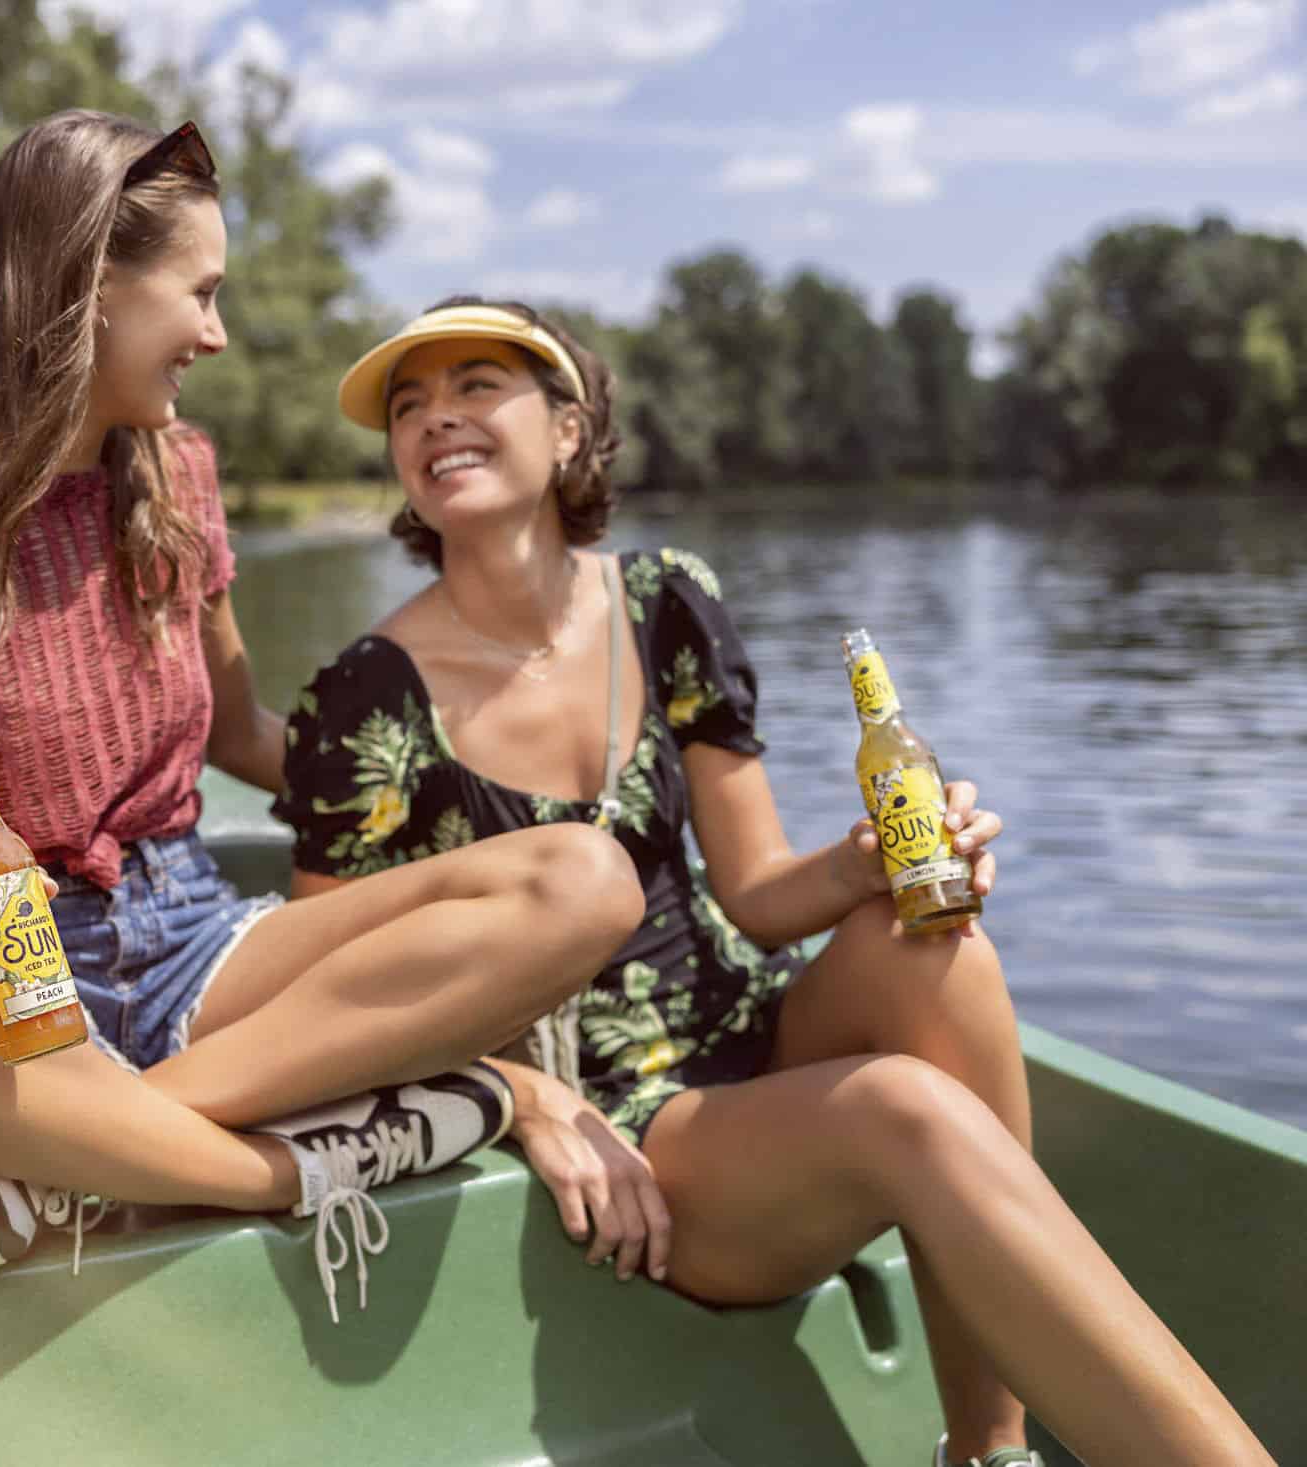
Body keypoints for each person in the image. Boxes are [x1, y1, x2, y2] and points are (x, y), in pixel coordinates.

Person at [276, 296, 1275, 1464]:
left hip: (750, 1027)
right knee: (908, 1107)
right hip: (627, 1120)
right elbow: (324, 1000)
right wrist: (531, 1104)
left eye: (475, 386)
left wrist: (873, 865)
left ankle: (984, 1451)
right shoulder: (362, 700)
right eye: (408, 406)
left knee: (938, 949)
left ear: (567, 430)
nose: (435, 418)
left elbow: (753, 891)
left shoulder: (665, 603)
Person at [0, 113, 645, 1312]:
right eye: (201, 293)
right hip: (22, 979)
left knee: (583, 879)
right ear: (87, 287)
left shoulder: (175, 471)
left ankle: (88, 1151)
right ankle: (265, 1171)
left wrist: (458, 831)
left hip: (198, 942)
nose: (217, 335)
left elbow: (240, 737)